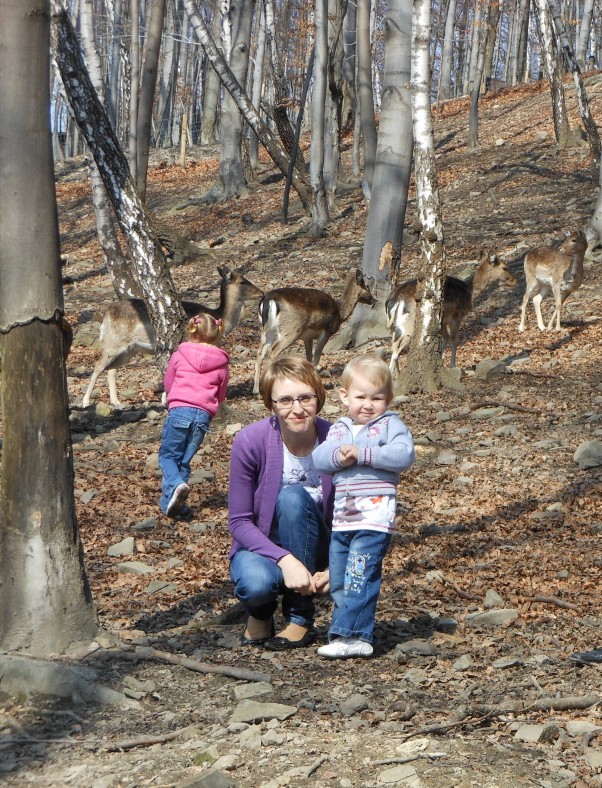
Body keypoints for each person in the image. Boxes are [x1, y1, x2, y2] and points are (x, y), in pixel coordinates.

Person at [312, 354, 415, 659]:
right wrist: (339, 458)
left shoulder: (390, 425)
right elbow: (320, 459)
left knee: (360, 573)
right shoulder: (339, 429)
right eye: (360, 397)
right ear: (344, 396)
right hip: (343, 518)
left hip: (373, 517)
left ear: (389, 399)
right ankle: (344, 631)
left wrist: (363, 454)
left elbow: (403, 455)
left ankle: (355, 634)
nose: (368, 404)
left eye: (377, 398)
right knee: (341, 577)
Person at [228, 356, 333, 650]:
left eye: (305, 398)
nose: (297, 409)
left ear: (318, 397)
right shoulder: (251, 440)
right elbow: (239, 521)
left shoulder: (337, 439)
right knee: (255, 585)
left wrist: (338, 564)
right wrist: (285, 560)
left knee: (293, 496)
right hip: (262, 546)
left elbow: (358, 513)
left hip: (319, 543)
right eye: (285, 401)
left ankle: (300, 617)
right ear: (271, 404)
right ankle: (260, 613)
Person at [159, 313, 229, 517]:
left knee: (167, 456)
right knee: (183, 461)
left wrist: (173, 398)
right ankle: (171, 506)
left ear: (192, 330)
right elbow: (222, 392)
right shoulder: (221, 363)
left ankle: (176, 484)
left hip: (180, 409)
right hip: (203, 416)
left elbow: (168, 382)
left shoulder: (179, 355)